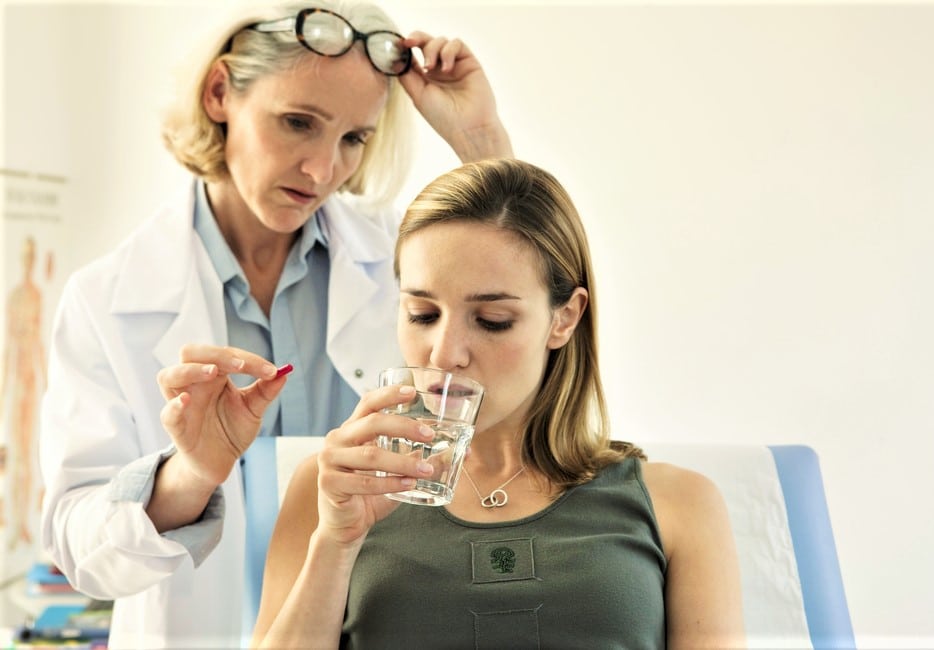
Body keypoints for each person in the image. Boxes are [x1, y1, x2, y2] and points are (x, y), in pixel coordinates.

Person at [38, 1, 512, 647]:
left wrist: (479, 142)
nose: (323, 170)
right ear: (218, 93)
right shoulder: (106, 298)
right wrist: (192, 472)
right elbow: (81, 551)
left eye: (353, 139)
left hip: (381, 621)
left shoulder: (405, 262)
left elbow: (532, 311)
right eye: (297, 123)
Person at [159, 158, 746, 648]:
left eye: (491, 320)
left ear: (563, 318)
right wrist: (336, 545)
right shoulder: (329, 490)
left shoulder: (678, 504)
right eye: (421, 314)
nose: (444, 354)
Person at [0, 236, 47, 549]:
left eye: (33, 255)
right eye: (26, 255)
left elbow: (39, 343)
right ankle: (15, 522)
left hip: (31, 381)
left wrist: (49, 385)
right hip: (17, 379)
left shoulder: (37, 295)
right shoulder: (15, 296)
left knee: (30, 454)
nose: (29, 261)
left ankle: (24, 522)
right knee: (15, 454)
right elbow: (8, 347)